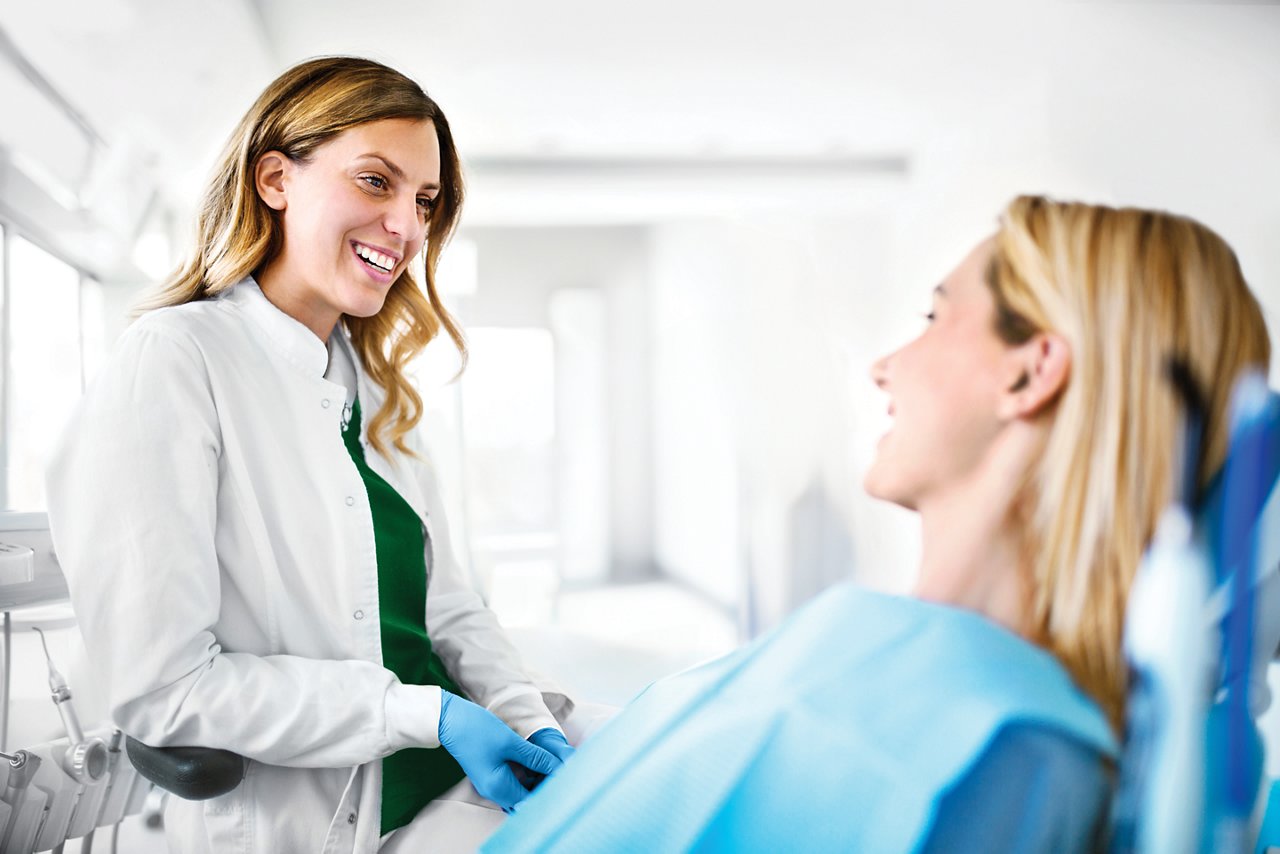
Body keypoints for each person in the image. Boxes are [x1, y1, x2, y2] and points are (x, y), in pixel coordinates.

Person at [481, 196, 1272, 852]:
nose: (883, 364)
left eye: (935, 315)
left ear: (1030, 372)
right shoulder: (882, 650)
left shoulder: (1002, 750)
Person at [46, 56, 574, 854]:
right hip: (325, 822)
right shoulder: (176, 360)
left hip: (451, 792)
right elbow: (165, 690)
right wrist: (424, 714)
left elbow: (449, 608)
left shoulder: (374, 382)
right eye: (375, 182)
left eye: (425, 200)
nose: (406, 225)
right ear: (273, 179)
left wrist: (525, 716)